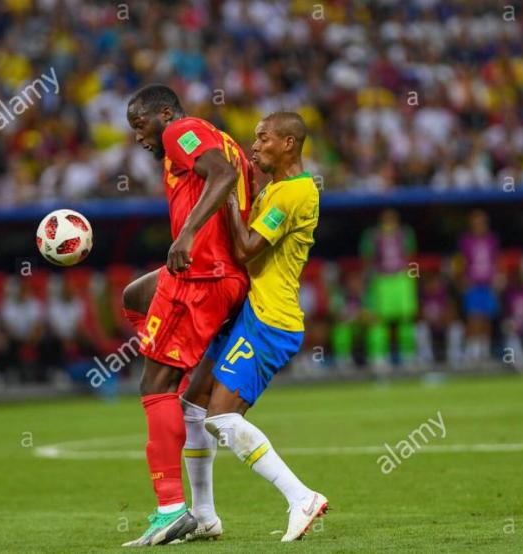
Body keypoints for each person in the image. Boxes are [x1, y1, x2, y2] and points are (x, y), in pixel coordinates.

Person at [122, 84, 253, 546]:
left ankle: (171, 510)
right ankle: (175, 374)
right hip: (218, 274)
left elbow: (222, 176)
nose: (139, 137)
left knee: (152, 385)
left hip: (201, 274)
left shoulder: (181, 131)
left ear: (164, 114)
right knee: (135, 296)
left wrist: (187, 235)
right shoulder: (221, 138)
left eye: (140, 125)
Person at [202, 112, 327, 542]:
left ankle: (301, 497)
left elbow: (246, 250)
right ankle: (201, 515)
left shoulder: (293, 194)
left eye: (263, 138)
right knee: (197, 405)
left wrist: (226, 195)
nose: (254, 146)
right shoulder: (278, 189)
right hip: (251, 314)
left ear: (289, 143)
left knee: (220, 417)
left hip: (269, 319)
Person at [359, 209, 418, 370]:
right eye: (386, 219)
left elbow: (410, 255)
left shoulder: (405, 234)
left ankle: (408, 354)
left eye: (392, 219)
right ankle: (378, 356)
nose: (389, 222)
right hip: (381, 280)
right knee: (378, 320)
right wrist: (370, 281)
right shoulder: (372, 236)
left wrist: (410, 276)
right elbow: (367, 259)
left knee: (406, 319)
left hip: (401, 279)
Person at [458, 210, 499, 363]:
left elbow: (496, 259)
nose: (479, 225)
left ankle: (484, 350)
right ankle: (472, 351)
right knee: (474, 317)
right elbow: (461, 260)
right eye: (476, 222)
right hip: (473, 284)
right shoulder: (466, 240)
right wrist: (462, 278)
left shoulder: (492, 239)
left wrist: (497, 277)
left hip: (488, 284)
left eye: (482, 222)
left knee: (487, 317)